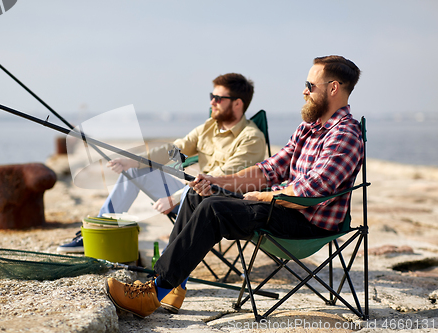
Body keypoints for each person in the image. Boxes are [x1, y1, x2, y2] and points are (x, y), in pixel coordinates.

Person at [104, 55, 364, 319]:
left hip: (307, 222)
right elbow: (269, 169)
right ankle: (171, 285)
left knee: (214, 209)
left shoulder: (344, 135)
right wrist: (217, 182)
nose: (304, 91)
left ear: (333, 88)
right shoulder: (309, 128)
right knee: (198, 194)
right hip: (280, 207)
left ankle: (152, 293)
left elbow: (310, 193)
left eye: (310, 85)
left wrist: (262, 197)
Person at [57, 73, 266, 253]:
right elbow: (173, 150)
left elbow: (221, 180)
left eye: (218, 98)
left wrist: (174, 199)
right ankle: (99, 229)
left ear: (237, 103)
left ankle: (166, 267)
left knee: (198, 188)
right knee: (135, 171)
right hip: (195, 193)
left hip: (222, 204)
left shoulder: (251, 138)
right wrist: (133, 161)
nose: (212, 102)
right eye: (212, 96)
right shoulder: (209, 127)